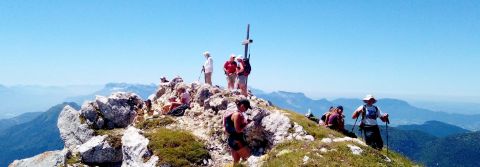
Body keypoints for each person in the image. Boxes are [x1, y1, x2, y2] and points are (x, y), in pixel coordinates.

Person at [224, 99, 252, 165]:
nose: (247, 109)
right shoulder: (237, 115)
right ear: (242, 106)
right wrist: (247, 123)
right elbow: (238, 130)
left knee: (236, 162)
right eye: (247, 107)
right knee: (247, 158)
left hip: (232, 140)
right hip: (237, 141)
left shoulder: (234, 113)